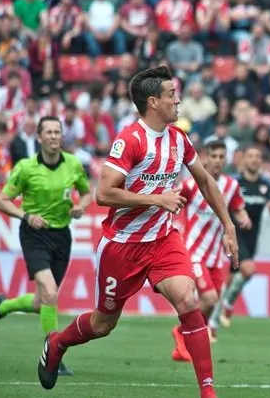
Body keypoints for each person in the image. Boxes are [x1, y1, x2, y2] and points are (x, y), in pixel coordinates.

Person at [36, 66, 238, 398]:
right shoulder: (129, 140)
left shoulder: (179, 139)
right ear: (153, 102)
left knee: (189, 299)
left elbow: (205, 181)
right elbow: (103, 194)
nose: (179, 99)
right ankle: (57, 343)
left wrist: (228, 225)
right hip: (122, 245)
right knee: (103, 324)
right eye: (172, 95)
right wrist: (156, 198)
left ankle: (208, 392)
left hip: (162, 240)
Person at [0, 116, 92, 377]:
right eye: (47, 132)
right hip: (33, 235)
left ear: (62, 136)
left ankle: (1, 307)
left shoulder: (73, 164)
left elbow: (86, 192)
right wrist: (26, 216)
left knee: (42, 302)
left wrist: (81, 206)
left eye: (56, 132)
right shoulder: (26, 167)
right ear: (38, 137)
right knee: (50, 291)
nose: (52, 136)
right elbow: (2, 201)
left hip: (62, 237)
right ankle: (54, 355)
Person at [171, 139, 251, 360]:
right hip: (194, 253)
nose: (217, 161)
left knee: (211, 304)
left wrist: (243, 219)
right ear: (204, 157)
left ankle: (183, 341)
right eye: (213, 156)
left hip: (217, 256)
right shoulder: (191, 184)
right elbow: (173, 201)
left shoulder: (231, 186)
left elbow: (238, 208)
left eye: (221, 157)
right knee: (210, 299)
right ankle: (181, 333)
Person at [210, 144, 270, 330]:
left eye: (258, 156)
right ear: (243, 159)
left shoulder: (266, 185)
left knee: (231, 280)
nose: (255, 159)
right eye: (251, 155)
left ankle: (213, 323)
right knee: (248, 270)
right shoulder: (235, 183)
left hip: (252, 238)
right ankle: (229, 305)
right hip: (235, 234)